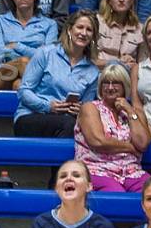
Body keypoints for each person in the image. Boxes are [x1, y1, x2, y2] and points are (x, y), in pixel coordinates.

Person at [14, 10, 100, 138]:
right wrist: (48, 106)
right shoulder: (45, 53)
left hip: (66, 121)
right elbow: (24, 91)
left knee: (75, 126)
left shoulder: (93, 72)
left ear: (93, 36)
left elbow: (87, 107)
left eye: (89, 30)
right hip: (31, 116)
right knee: (70, 125)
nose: (83, 33)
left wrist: (79, 110)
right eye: (80, 27)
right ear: (70, 30)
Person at [74, 63, 151, 192]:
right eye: (105, 83)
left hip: (131, 171)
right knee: (117, 195)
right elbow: (98, 141)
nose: (110, 87)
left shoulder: (134, 112)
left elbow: (142, 144)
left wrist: (130, 111)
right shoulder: (90, 108)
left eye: (115, 83)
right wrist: (131, 147)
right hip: (97, 169)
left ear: (124, 86)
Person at [0, 0, 59, 91]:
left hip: (35, 73)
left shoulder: (50, 24)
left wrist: (17, 46)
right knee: (23, 62)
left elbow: (48, 57)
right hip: (2, 74)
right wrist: (33, 53)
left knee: (19, 85)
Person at [95, 0, 144, 69]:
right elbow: (88, 60)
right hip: (99, 75)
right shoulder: (96, 22)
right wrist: (117, 63)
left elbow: (142, 66)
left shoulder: (140, 29)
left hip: (127, 78)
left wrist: (133, 63)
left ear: (132, 0)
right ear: (109, 0)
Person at [131, 12, 151, 140]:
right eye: (149, 33)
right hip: (145, 126)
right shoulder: (137, 68)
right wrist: (146, 125)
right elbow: (136, 105)